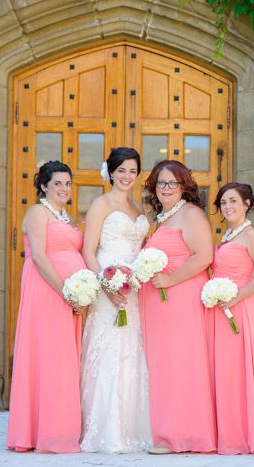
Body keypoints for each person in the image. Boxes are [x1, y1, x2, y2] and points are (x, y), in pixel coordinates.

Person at [7, 161, 85, 453]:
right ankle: (44, 433)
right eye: (57, 184)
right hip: (47, 291)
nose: (64, 189)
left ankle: (60, 427)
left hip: (68, 295)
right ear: (43, 186)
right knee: (50, 357)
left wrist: (81, 292)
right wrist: (66, 292)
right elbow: (38, 256)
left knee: (64, 358)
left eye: (68, 184)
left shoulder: (67, 218)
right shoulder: (38, 212)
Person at [140, 160, 216, 454]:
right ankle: (166, 430)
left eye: (172, 183)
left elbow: (203, 256)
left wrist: (170, 279)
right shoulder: (164, 217)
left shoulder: (191, 214)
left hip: (180, 298)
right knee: (164, 366)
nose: (166, 188)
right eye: (160, 183)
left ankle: (181, 436)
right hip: (160, 302)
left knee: (180, 365)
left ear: (184, 185)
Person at [79, 147, 152, 453]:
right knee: (108, 351)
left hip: (134, 289)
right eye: (121, 170)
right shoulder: (101, 204)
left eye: (132, 171)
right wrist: (106, 285)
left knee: (132, 353)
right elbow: (88, 250)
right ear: (110, 171)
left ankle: (131, 427)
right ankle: (105, 431)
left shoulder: (138, 207)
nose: (126, 176)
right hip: (108, 283)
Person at [208, 182, 254, 454]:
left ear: (247, 204)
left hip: (240, 309)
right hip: (221, 310)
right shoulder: (227, 236)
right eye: (224, 202)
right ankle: (228, 431)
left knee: (238, 372)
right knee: (226, 373)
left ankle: (242, 435)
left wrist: (235, 298)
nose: (227, 206)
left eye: (233, 201)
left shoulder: (251, 236)